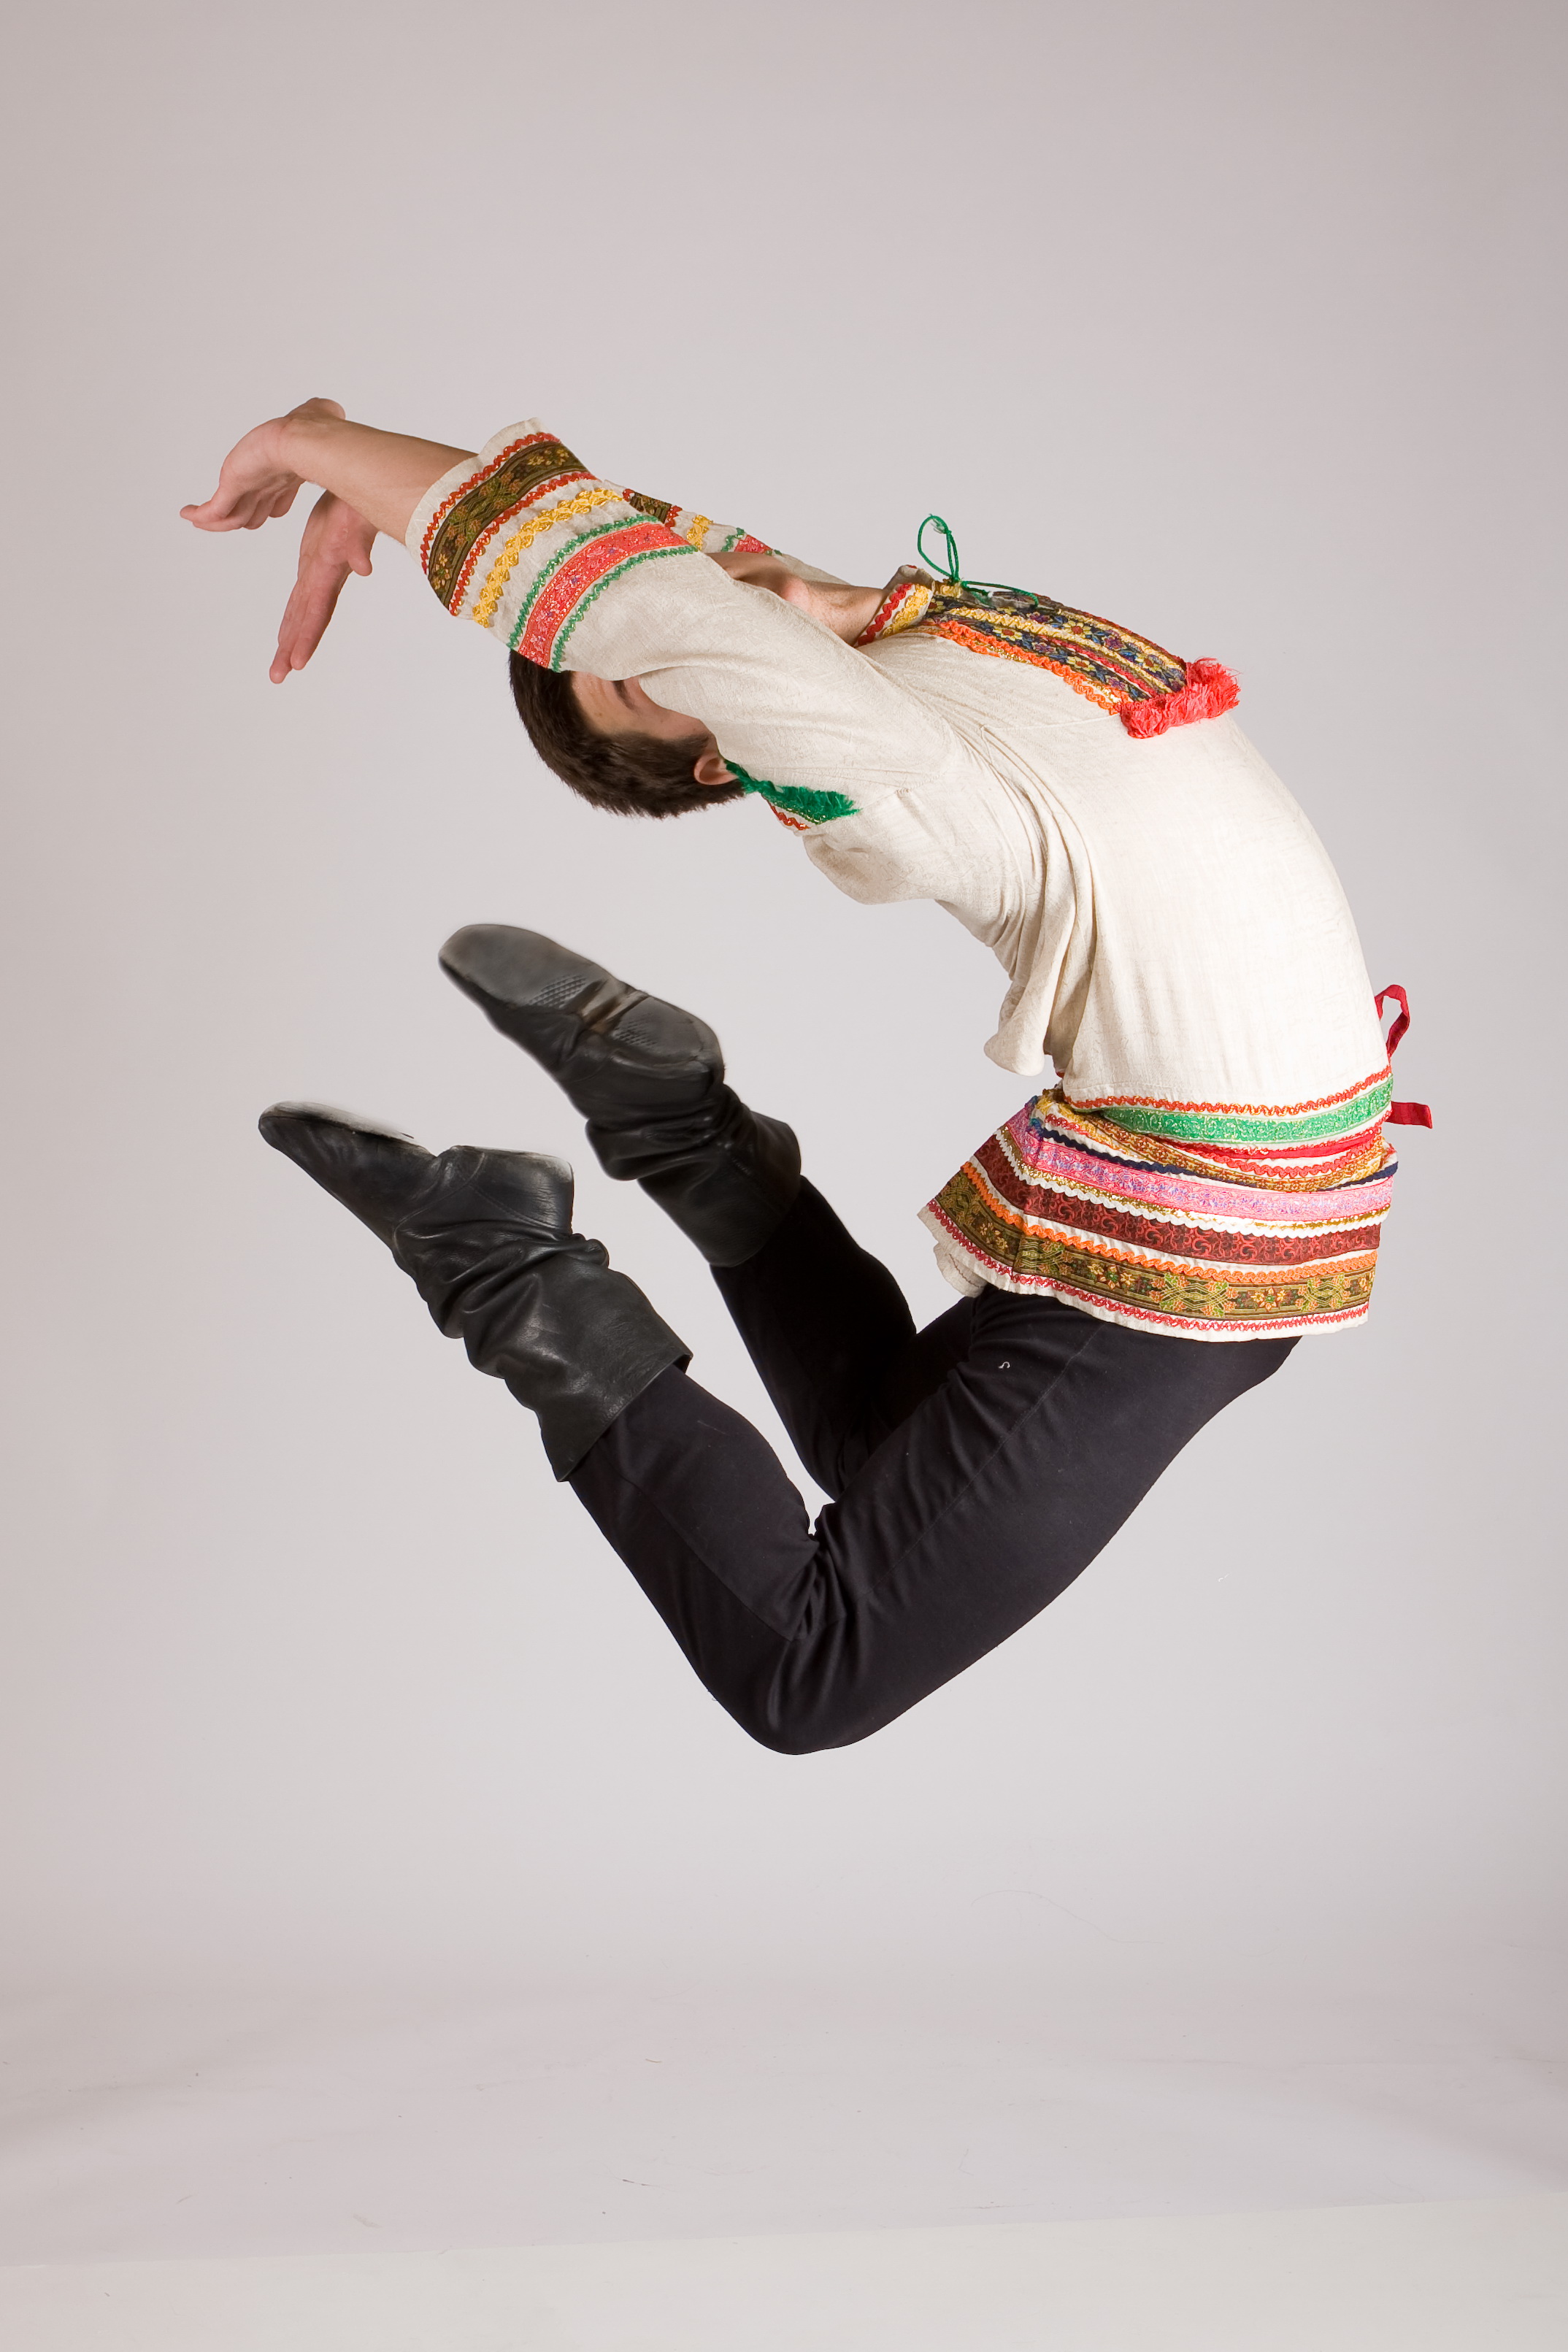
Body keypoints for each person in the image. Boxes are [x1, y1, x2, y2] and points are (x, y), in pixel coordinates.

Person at [181, 399, 1423, 1751]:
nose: (684, 621)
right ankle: (503, 1263)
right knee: (808, 1668)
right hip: (1215, 1239)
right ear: (734, 742)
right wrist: (315, 446)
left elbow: (637, 553)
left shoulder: (921, 635)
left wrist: (355, 457)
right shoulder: (886, 749)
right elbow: (633, 593)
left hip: (1234, 1214)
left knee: (872, 1441)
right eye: (644, 669)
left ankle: (682, 1130)